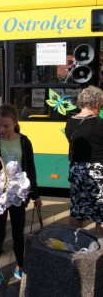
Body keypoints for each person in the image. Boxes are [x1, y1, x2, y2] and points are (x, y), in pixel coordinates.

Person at [0, 104, 42, 289]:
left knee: (17, 233)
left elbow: (31, 170)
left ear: (15, 122)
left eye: (5, 125)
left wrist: (36, 195)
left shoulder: (24, 142)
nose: (1, 130)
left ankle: (20, 265)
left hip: (19, 197)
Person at [65, 85, 103, 235]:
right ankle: (99, 249)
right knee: (100, 215)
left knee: (77, 211)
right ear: (96, 104)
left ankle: (75, 242)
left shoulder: (70, 123)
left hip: (77, 172)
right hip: (98, 173)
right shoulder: (99, 124)